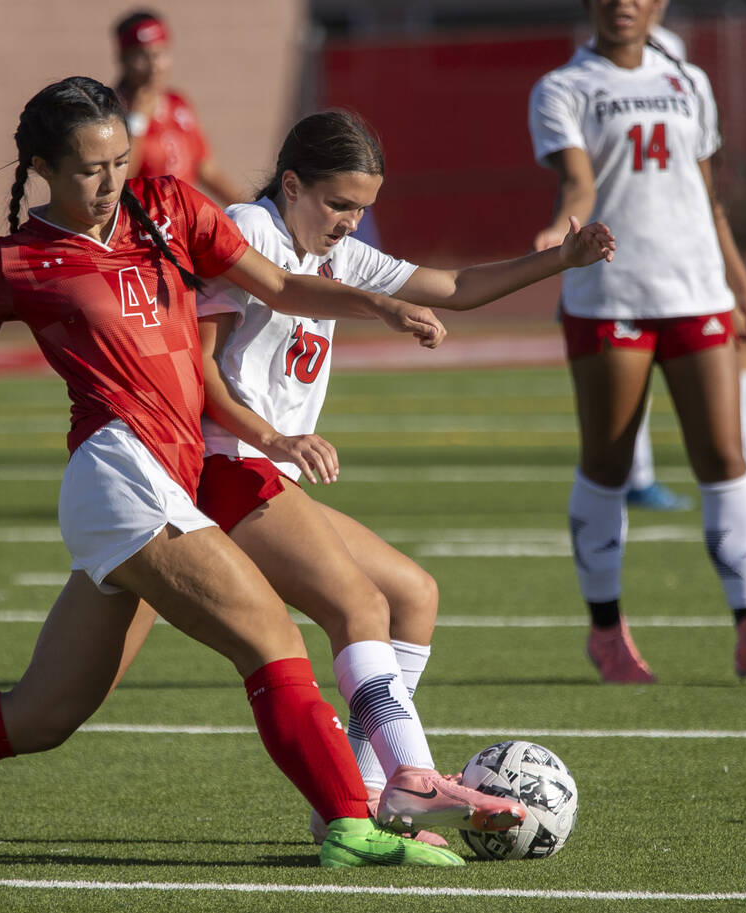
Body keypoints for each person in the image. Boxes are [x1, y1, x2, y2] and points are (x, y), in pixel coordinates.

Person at [0, 77, 498, 870]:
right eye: (89, 167)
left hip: (170, 487)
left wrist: (384, 305)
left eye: (119, 159)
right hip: (119, 475)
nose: (110, 179)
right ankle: (349, 822)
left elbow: (282, 284)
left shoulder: (171, 206)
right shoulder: (23, 260)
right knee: (272, 634)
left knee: (43, 713)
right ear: (44, 166)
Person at [194, 110, 616, 843]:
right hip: (224, 463)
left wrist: (561, 260)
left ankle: (366, 799)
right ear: (291, 184)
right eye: (338, 203)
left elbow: (454, 284)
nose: (351, 223)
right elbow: (195, 369)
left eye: (363, 209)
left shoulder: (339, 250)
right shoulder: (249, 228)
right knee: (358, 604)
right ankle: (413, 784)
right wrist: (274, 434)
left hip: (267, 470)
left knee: (413, 593)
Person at [527, 0, 746, 684]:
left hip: (696, 291)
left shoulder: (689, 79)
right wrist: (562, 228)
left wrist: (742, 281)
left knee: (726, 460)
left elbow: (705, 193)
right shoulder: (563, 87)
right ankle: (606, 634)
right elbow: (578, 184)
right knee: (610, 464)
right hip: (611, 296)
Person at [624, 0, 746, 511]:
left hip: (687, 243)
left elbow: (705, 187)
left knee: (741, 337)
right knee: (631, 358)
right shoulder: (585, 72)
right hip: (628, 249)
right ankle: (637, 476)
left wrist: (742, 282)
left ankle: (738, 458)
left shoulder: (679, 63)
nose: (626, 2)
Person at [114, 9, 246, 207]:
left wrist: (252, 207)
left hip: (183, 223)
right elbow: (117, 180)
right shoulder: (110, 110)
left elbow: (206, 170)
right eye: (142, 56)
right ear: (124, 59)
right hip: (140, 227)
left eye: (160, 54)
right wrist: (137, 121)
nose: (154, 66)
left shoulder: (178, 104)